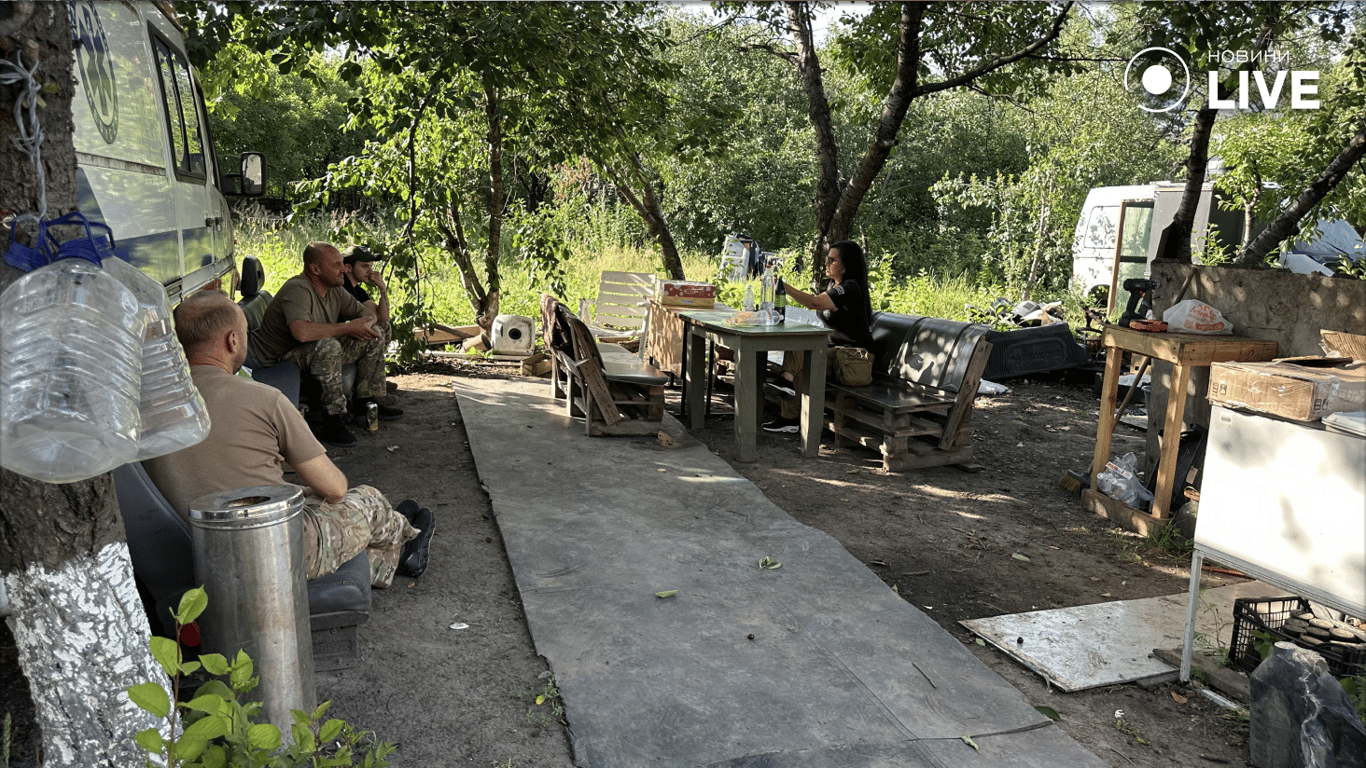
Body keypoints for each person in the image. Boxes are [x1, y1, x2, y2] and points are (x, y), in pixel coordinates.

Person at [143, 291, 435, 585]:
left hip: (189, 551)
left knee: (307, 495)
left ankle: (392, 544)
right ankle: (404, 539)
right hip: (273, 549)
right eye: (245, 334)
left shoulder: (144, 407)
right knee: (368, 498)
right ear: (232, 341)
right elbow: (334, 488)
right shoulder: (264, 399)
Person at [248, 241, 402, 448]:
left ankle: (364, 402)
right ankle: (332, 420)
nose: (343, 269)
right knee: (328, 346)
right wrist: (348, 328)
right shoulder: (298, 289)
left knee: (374, 334)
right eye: (336, 265)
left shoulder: (334, 289)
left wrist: (365, 324)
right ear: (315, 269)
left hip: (307, 352)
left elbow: (364, 312)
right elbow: (301, 333)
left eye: (342, 263)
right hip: (279, 359)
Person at [762, 240, 874, 433]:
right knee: (800, 353)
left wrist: (782, 286)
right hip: (835, 352)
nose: (826, 263)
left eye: (832, 260)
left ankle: (788, 404)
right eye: (827, 259)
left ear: (847, 264)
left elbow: (814, 303)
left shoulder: (850, 287)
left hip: (852, 357)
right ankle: (788, 406)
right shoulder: (834, 284)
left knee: (801, 356)